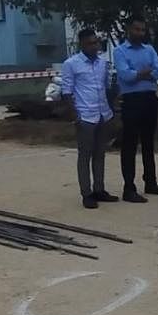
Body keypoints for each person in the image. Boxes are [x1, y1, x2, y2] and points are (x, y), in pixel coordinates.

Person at [113, 15, 158, 203]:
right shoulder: (119, 51)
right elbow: (125, 75)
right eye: (136, 29)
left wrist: (139, 73)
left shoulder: (149, 49)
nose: (140, 33)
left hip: (149, 99)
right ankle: (129, 188)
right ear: (129, 30)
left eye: (142, 30)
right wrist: (144, 73)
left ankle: (151, 182)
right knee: (129, 145)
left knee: (148, 142)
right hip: (131, 101)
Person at [61, 28, 118, 210]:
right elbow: (66, 92)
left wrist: (111, 110)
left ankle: (99, 189)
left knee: (100, 154)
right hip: (85, 116)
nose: (95, 46)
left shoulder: (103, 64)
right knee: (84, 156)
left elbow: (105, 87)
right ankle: (86, 194)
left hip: (103, 114)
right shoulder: (71, 64)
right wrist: (75, 117)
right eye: (90, 43)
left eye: (96, 42)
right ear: (82, 44)